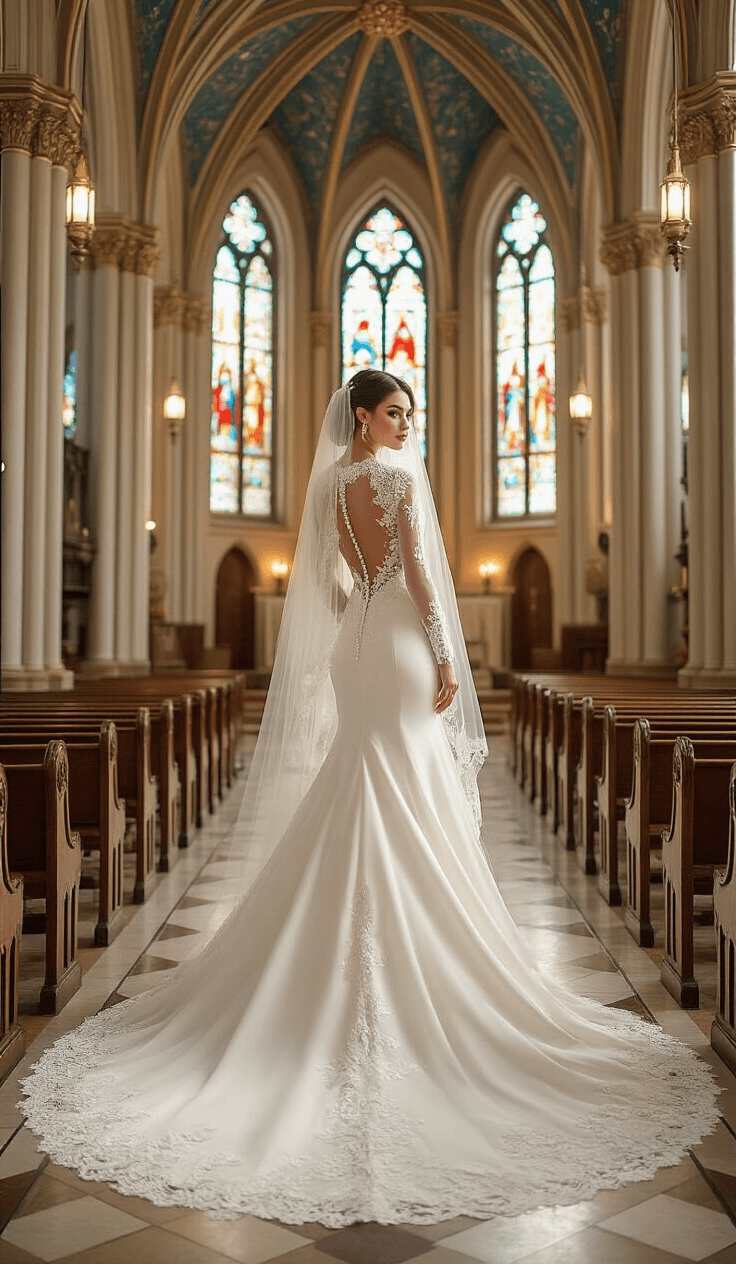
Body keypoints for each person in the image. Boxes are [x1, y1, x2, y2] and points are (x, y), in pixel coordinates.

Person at [20, 370, 718, 1227]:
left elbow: (333, 583)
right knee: (403, 781)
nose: (405, 425)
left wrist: (370, 617)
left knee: (361, 777)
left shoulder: (326, 487)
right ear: (363, 415)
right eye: (395, 413)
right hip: (398, 641)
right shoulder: (394, 479)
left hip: (355, 641)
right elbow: (420, 574)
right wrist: (448, 655)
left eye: (409, 414)